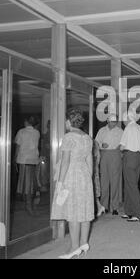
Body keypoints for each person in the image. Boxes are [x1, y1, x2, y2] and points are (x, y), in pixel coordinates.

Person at [51, 108, 94, 259]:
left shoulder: (69, 137)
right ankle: (84, 243)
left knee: (74, 211)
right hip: (85, 175)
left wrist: (60, 183)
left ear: (69, 121)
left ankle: (75, 247)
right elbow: (90, 161)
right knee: (84, 210)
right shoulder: (88, 138)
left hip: (71, 175)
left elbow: (65, 162)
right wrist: (88, 178)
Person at [120, 111, 140, 222]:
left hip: (129, 156)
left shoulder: (128, 128)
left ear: (127, 118)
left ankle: (138, 213)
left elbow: (122, 147)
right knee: (132, 184)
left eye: (123, 120)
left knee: (130, 186)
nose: (123, 122)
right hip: (138, 158)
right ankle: (129, 211)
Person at [95, 114, 123, 215]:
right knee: (104, 181)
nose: (113, 124)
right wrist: (101, 145)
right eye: (112, 122)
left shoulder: (120, 131)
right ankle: (104, 206)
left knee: (115, 181)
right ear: (108, 121)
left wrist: (118, 147)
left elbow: (123, 143)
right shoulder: (102, 130)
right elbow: (96, 142)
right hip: (104, 154)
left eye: (115, 122)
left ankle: (115, 206)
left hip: (115, 154)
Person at [14, 116, 40, 216]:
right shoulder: (36, 132)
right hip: (33, 160)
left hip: (24, 160)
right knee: (29, 184)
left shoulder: (21, 132)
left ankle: (28, 206)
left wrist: (14, 158)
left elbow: (18, 146)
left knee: (26, 185)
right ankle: (27, 204)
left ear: (26, 122)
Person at [92, 140, 105, 217]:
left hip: (90, 169)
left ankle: (99, 207)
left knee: (92, 190)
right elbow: (98, 159)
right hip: (95, 168)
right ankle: (99, 206)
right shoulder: (94, 143)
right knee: (94, 190)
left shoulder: (91, 143)